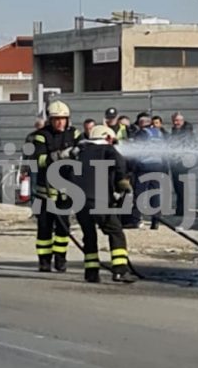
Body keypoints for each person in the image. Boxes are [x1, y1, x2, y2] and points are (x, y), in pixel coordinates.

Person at [75, 125, 134, 284]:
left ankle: (91, 272)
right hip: (99, 200)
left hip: (79, 201)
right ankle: (120, 270)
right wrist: (122, 183)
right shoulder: (107, 149)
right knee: (116, 232)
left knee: (89, 235)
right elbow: (120, 164)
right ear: (107, 138)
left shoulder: (80, 151)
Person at [31, 100, 81, 273]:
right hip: (45, 192)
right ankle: (44, 261)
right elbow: (38, 160)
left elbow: (84, 153)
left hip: (65, 191)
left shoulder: (74, 134)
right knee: (44, 228)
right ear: (50, 120)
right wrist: (58, 156)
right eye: (56, 119)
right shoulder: (41, 136)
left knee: (63, 228)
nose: (60, 122)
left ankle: (61, 260)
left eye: (63, 119)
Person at [167, 112, 194, 218]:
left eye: (178, 120)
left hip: (182, 164)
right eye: (174, 120)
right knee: (178, 187)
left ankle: (182, 210)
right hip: (176, 163)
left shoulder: (186, 132)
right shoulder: (175, 131)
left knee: (181, 188)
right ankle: (180, 209)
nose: (176, 122)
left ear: (182, 121)